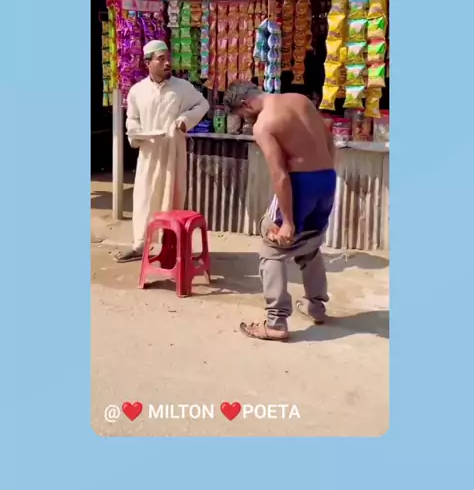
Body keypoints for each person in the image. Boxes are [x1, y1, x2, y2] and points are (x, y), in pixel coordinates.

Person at [223, 82, 337, 341]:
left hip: (301, 184)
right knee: (310, 242)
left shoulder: (264, 124)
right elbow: (328, 138)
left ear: (246, 104)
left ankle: (276, 322)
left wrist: (287, 221)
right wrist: (327, 172)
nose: (246, 119)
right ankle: (316, 307)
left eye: (242, 115)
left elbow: (280, 175)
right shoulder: (300, 99)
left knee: (272, 247)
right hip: (327, 178)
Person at [116, 40, 209, 262]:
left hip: (173, 152)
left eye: (168, 58)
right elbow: (132, 119)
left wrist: (185, 120)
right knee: (144, 197)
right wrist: (137, 133)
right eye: (161, 59)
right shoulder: (137, 91)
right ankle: (140, 245)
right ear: (148, 63)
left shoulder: (182, 87)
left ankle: (171, 246)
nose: (168, 63)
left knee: (172, 195)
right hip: (149, 152)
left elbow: (202, 104)